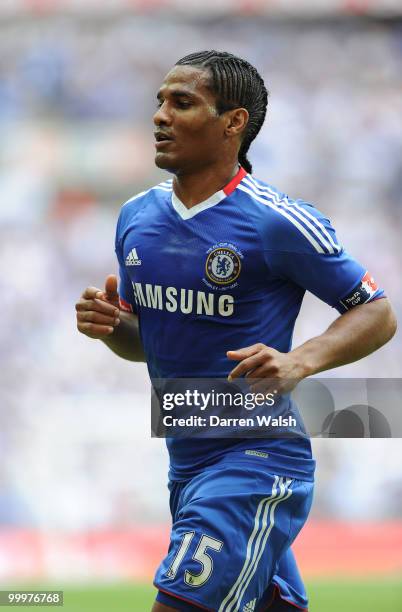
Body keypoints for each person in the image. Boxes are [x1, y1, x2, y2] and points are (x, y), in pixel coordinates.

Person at [75, 50, 397, 612]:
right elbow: (147, 343)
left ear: (233, 122)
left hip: (258, 459)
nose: (160, 115)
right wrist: (113, 328)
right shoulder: (135, 218)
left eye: (182, 103)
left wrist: (300, 361)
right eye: (159, 102)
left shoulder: (276, 220)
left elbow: (378, 312)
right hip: (187, 461)